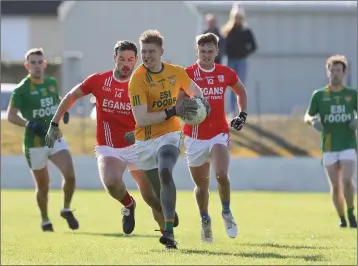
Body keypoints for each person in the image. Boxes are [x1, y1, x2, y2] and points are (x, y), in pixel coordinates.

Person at [46, 40, 177, 235]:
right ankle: (128, 204)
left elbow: (156, 117)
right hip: (110, 147)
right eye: (122, 59)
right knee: (111, 182)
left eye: (131, 60)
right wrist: (54, 123)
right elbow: (71, 96)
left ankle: (167, 236)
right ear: (114, 58)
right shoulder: (99, 81)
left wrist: (139, 133)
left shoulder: (144, 84)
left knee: (152, 198)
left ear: (136, 61)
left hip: (139, 145)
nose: (126, 64)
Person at [126, 29, 210, 249]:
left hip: (170, 134)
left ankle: (169, 233)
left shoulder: (176, 72)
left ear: (161, 52)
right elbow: (142, 119)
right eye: (143, 52)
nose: (146, 56)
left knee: (165, 170)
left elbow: (196, 91)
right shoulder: (137, 80)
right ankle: (169, 214)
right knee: (153, 198)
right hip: (144, 140)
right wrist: (173, 110)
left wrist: (201, 105)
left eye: (151, 51)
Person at [179, 33, 248, 243]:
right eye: (203, 52)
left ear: (217, 52)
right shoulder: (187, 74)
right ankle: (205, 220)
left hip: (219, 133)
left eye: (210, 51)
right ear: (197, 52)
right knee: (201, 186)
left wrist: (242, 114)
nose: (206, 55)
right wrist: (187, 111)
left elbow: (241, 92)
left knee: (220, 174)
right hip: (194, 137)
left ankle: (226, 212)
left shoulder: (226, 73)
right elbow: (179, 103)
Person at [7, 48, 77, 232]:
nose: (37, 66)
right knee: (43, 186)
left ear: (44, 64)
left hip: (53, 136)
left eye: (40, 62)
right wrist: (30, 125)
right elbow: (11, 116)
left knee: (69, 174)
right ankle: (45, 219)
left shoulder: (52, 83)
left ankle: (66, 208)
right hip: (34, 143)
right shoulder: (21, 89)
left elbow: (57, 100)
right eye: (33, 63)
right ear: (27, 66)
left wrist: (65, 110)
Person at [304, 55, 357, 229]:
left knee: (347, 180)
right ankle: (341, 217)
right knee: (335, 186)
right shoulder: (319, 95)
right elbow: (307, 115)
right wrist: (313, 121)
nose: (335, 74)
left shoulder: (352, 94)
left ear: (344, 73)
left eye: (338, 70)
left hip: (348, 144)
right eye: (332, 70)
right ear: (328, 72)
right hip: (329, 146)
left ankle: (351, 212)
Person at [221, 4, 256, 117]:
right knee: (231, 85)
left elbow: (253, 46)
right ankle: (232, 110)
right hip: (231, 60)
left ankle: (241, 109)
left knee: (240, 85)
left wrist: (244, 52)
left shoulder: (246, 31)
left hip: (242, 60)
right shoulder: (228, 31)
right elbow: (223, 45)